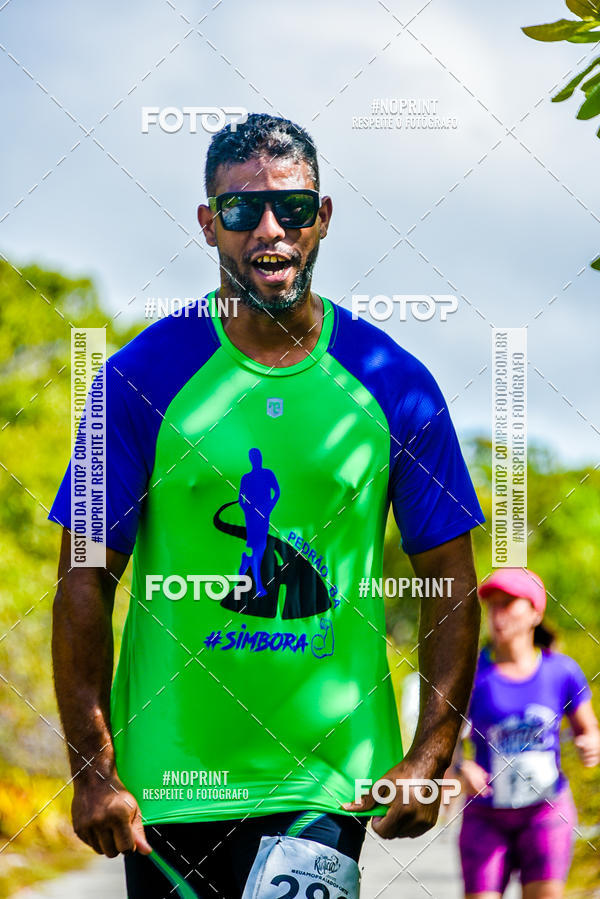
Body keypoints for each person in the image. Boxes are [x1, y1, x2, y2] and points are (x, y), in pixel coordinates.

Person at [49, 113, 484, 898]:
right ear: (210, 224)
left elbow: (449, 577)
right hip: (167, 784)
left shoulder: (396, 381)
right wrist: (92, 768)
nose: (269, 229)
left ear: (323, 218)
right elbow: (83, 576)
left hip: (326, 779)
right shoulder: (134, 378)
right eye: (243, 211)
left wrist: (431, 754)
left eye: (292, 206)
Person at [453, 568, 600, 899]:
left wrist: (590, 744)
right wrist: (461, 767)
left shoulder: (561, 672)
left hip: (545, 812)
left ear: (535, 612)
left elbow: (589, 730)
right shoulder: (472, 674)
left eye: (508, 604)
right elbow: (445, 741)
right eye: (491, 606)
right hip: (485, 815)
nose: (497, 614)